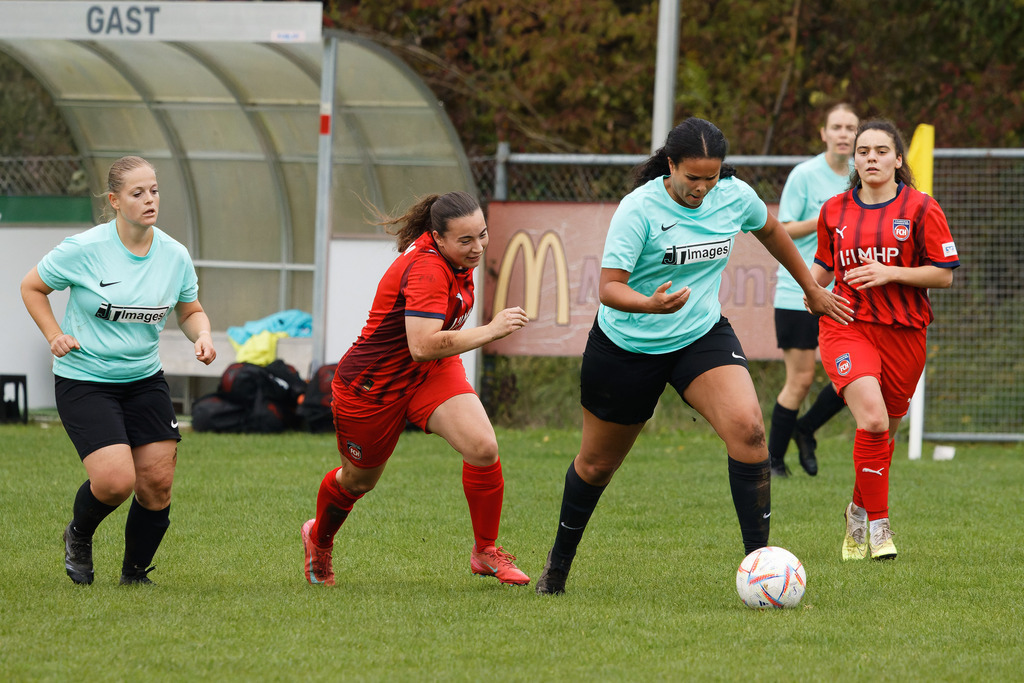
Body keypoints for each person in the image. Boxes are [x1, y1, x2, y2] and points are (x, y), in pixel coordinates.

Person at [534, 117, 854, 595]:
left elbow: (772, 232)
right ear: (671, 165)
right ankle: (558, 567)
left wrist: (810, 287)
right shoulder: (638, 209)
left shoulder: (733, 194)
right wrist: (649, 304)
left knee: (749, 432)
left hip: (698, 335)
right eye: (692, 178)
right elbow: (608, 289)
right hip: (628, 344)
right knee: (597, 464)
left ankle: (760, 571)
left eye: (712, 177)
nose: (702, 188)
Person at [301, 191, 532, 587]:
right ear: (437, 238)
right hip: (373, 387)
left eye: (482, 235)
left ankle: (485, 552)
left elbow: (427, 353)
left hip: (428, 372)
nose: (477, 248)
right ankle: (318, 539)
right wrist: (491, 330)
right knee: (358, 481)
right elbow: (422, 344)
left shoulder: (454, 256)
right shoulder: (427, 268)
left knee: (483, 447)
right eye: (465, 240)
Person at [20, 155, 217, 586]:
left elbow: (190, 310)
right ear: (114, 200)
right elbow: (31, 286)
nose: (150, 199)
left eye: (155, 190)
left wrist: (201, 334)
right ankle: (78, 534)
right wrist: (54, 333)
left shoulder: (174, 255)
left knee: (157, 483)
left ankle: (133, 576)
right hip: (85, 379)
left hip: (144, 379)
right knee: (114, 482)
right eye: (138, 193)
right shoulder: (84, 249)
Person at [811, 120, 958, 561]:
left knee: (884, 434)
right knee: (872, 419)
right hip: (847, 325)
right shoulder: (834, 210)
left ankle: (856, 511)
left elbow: (944, 274)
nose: (870, 158)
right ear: (853, 160)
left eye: (880, 151)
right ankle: (878, 529)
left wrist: (890, 272)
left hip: (905, 333)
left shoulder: (920, 208)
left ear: (898, 159)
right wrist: (813, 297)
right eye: (862, 151)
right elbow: (818, 274)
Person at [768, 103, 859, 478]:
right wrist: (826, 218)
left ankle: (805, 430)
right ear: (823, 133)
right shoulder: (804, 175)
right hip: (799, 291)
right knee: (801, 379)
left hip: (849, 295)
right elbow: (783, 228)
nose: (843, 134)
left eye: (850, 128)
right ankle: (772, 461)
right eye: (836, 127)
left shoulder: (863, 175)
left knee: (852, 376)